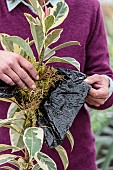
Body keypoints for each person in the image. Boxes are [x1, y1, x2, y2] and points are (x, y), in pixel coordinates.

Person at [0, 0, 113, 169]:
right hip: (8, 160)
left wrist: (105, 88)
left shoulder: (86, 5)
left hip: (72, 160)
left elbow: (101, 73)